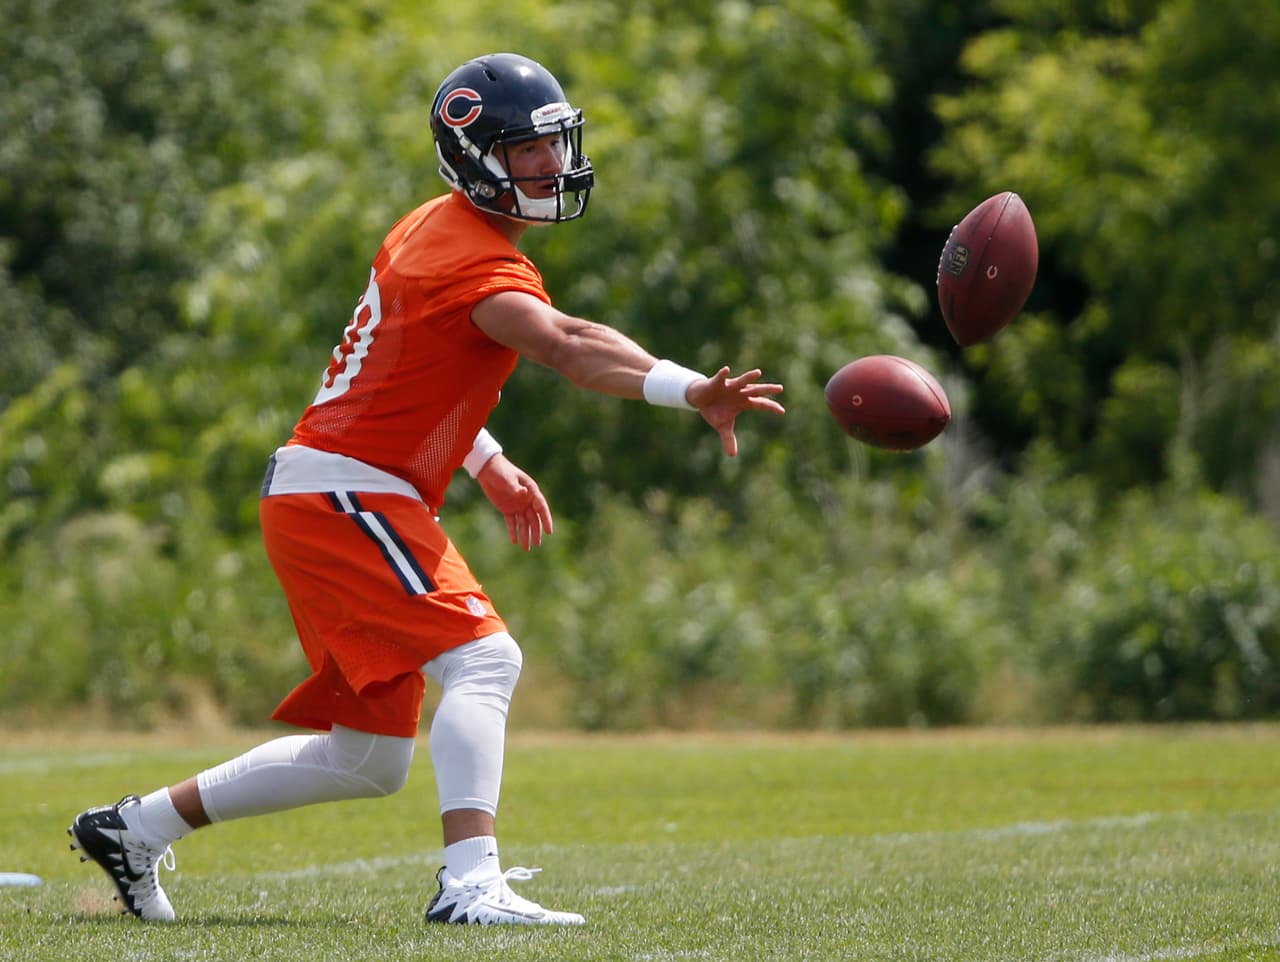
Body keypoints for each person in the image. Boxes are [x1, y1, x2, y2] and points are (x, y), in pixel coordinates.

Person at [68, 52, 784, 927]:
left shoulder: (438, 228)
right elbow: (568, 341)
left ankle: (133, 828)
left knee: (369, 759)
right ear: (477, 157)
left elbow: (411, 374)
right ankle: (470, 885)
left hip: (337, 490)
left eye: (556, 146)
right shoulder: (470, 261)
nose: (553, 167)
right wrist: (689, 389)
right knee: (486, 658)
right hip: (344, 493)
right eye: (528, 151)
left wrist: (484, 462)